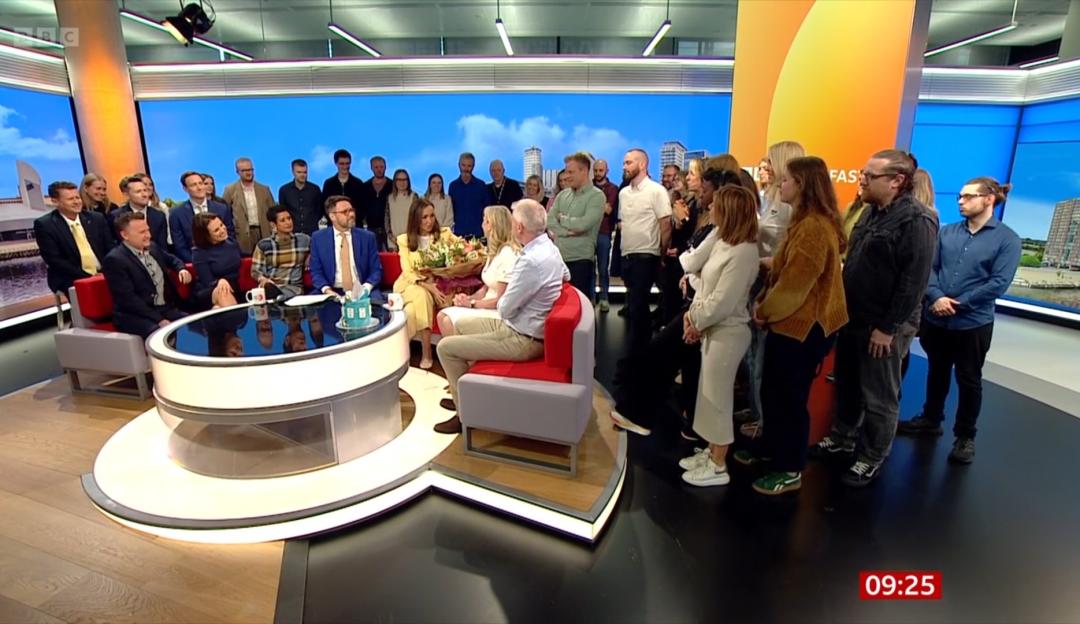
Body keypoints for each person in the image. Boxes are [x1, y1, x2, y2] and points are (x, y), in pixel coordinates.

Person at [812, 150, 938, 488]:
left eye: (870, 176)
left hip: (884, 325)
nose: (861, 180)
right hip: (854, 318)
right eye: (862, 173)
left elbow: (913, 283)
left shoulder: (918, 221)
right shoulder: (870, 212)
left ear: (896, 181)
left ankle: (871, 457)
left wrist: (887, 328)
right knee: (848, 384)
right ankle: (842, 437)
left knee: (880, 395)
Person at [732, 156, 849, 496]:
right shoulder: (806, 222)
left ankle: (789, 467)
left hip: (804, 328)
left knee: (790, 398)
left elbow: (795, 286)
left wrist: (764, 311)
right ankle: (772, 449)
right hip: (790, 324)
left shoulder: (813, 228)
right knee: (774, 392)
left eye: (785, 180)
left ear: (802, 184)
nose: (779, 184)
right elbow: (786, 272)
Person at [897, 177, 1021, 464]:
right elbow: (930, 268)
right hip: (937, 319)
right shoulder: (947, 232)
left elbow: (998, 283)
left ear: (989, 199)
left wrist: (957, 304)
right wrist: (937, 297)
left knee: (969, 379)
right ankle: (931, 419)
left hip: (973, 323)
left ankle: (965, 437)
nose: (961, 201)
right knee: (936, 371)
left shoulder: (1008, 239)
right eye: (960, 197)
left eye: (968, 196)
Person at [433, 199, 570, 434]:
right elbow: (566, 275)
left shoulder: (530, 261)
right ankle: (466, 396)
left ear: (519, 227)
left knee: (446, 348)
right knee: (461, 324)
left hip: (523, 338)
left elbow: (504, 308)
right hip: (518, 326)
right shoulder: (549, 248)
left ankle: (465, 415)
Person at [677, 185, 761, 487]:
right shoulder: (724, 242)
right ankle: (712, 452)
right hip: (713, 329)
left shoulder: (744, 252)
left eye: (717, 205)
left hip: (729, 332)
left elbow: (722, 302)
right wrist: (694, 316)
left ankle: (718, 464)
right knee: (708, 396)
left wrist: (694, 320)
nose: (710, 208)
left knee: (719, 399)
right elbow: (703, 281)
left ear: (730, 211)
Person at [737, 140, 804, 435]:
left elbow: (789, 252)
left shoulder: (792, 206)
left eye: (769, 162)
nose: (764, 167)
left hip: (773, 285)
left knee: (762, 357)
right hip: (758, 281)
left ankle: (763, 421)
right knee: (752, 354)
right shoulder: (771, 197)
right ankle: (755, 408)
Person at [102, 211, 192, 339]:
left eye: (148, 230)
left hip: (165, 308)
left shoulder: (153, 247)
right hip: (135, 315)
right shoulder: (115, 260)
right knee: (162, 335)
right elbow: (128, 299)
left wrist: (181, 269)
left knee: (192, 324)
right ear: (125, 235)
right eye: (142, 232)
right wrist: (159, 319)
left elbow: (172, 260)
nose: (148, 235)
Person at [393, 197, 460, 369]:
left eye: (431, 216)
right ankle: (426, 352)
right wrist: (428, 286)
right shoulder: (404, 240)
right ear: (415, 218)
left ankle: (397, 352)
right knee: (421, 295)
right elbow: (408, 271)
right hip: (409, 285)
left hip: (436, 286)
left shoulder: (444, 234)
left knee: (411, 310)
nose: (429, 221)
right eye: (424, 217)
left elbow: (463, 249)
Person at [437, 205, 520, 335]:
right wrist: (468, 298)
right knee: (442, 316)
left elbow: (501, 300)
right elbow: (486, 288)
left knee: (447, 320)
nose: (482, 224)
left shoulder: (508, 254)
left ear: (492, 226)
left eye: (485, 220)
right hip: (484, 305)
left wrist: (472, 304)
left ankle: (458, 347)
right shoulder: (494, 252)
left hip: (496, 312)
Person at [35, 181, 114, 296]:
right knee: (90, 297)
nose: (77, 202)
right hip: (71, 276)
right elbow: (55, 260)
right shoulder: (45, 225)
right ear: (55, 201)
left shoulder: (96, 218)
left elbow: (110, 248)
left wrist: (103, 272)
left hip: (103, 272)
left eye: (78, 197)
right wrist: (89, 277)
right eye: (70, 199)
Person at [547, 152, 605, 299]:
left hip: (581, 261)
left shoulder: (597, 196)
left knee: (580, 305)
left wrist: (563, 219)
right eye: (566, 172)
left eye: (571, 172)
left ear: (584, 171)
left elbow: (583, 225)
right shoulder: (562, 195)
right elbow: (550, 221)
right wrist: (567, 232)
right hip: (558, 260)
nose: (567, 176)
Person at [310, 195, 382, 298]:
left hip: (362, 289)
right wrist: (327, 290)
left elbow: (376, 270)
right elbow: (316, 271)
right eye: (345, 212)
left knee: (377, 304)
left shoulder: (367, 237)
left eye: (351, 210)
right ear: (332, 216)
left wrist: (365, 288)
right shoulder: (318, 238)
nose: (351, 214)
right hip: (332, 290)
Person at [170, 171, 235, 263]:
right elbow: (180, 246)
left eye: (201, 183)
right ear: (185, 189)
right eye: (193, 185)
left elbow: (230, 236)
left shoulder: (222, 208)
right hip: (195, 263)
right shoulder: (177, 214)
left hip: (223, 261)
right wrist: (197, 262)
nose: (199, 188)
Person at [252, 205, 313, 298]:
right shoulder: (264, 245)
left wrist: (310, 256)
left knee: (279, 296)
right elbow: (256, 270)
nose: (288, 222)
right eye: (283, 220)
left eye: (289, 218)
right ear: (273, 224)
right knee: (268, 291)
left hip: (294, 288)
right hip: (271, 286)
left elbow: (319, 248)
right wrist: (262, 279)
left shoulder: (303, 240)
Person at [222, 157, 274, 255]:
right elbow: (224, 214)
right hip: (242, 235)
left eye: (250, 169)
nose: (249, 173)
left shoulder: (264, 189)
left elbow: (273, 212)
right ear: (237, 172)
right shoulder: (230, 190)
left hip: (264, 232)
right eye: (244, 170)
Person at [191, 212, 242, 310]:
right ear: (205, 235)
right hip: (209, 289)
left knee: (218, 308)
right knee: (223, 292)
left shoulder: (231, 242)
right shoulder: (199, 252)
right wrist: (220, 281)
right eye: (216, 230)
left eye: (221, 225)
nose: (222, 230)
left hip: (233, 286)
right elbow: (207, 281)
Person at [109, 176, 170, 250]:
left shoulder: (159, 216)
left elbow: (162, 248)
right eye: (138, 191)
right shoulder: (116, 216)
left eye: (145, 190)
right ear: (127, 195)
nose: (144, 195)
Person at [593, 159, 619, 313]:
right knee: (589, 268)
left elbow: (608, 210)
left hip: (604, 232)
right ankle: (590, 298)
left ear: (607, 171)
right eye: (595, 170)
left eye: (600, 170)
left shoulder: (613, 188)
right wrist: (600, 206)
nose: (597, 173)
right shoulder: (588, 187)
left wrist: (591, 207)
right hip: (588, 233)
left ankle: (604, 298)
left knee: (603, 268)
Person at [321, 149, 366, 233]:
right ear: (336, 163)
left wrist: (351, 220)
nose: (345, 166)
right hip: (334, 228)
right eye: (342, 163)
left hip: (355, 227)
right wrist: (336, 220)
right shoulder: (329, 184)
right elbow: (325, 206)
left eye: (347, 163)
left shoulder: (358, 183)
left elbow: (362, 207)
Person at [278, 159, 324, 236]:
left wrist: (312, 221)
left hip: (312, 232)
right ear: (293, 172)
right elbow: (283, 211)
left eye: (305, 172)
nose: (302, 175)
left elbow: (320, 210)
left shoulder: (315, 189)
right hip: (292, 233)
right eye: (299, 172)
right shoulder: (284, 190)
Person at [448, 152, 488, 238]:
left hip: (478, 234)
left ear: (473, 166)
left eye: (469, 166)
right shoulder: (453, 186)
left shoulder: (481, 186)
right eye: (463, 165)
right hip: (458, 235)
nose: (466, 169)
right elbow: (451, 210)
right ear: (459, 165)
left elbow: (487, 210)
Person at [360, 156, 392, 249]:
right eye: (376, 167)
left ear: (385, 167)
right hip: (371, 229)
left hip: (389, 230)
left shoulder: (392, 185)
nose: (379, 170)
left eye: (381, 167)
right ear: (371, 168)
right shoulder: (365, 186)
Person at [386, 169, 417, 250]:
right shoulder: (389, 198)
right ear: (395, 181)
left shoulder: (413, 197)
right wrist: (392, 238)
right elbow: (387, 220)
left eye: (404, 179)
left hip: (410, 241)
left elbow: (417, 219)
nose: (402, 182)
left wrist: (411, 237)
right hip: (393, 243)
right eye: (399, 180)